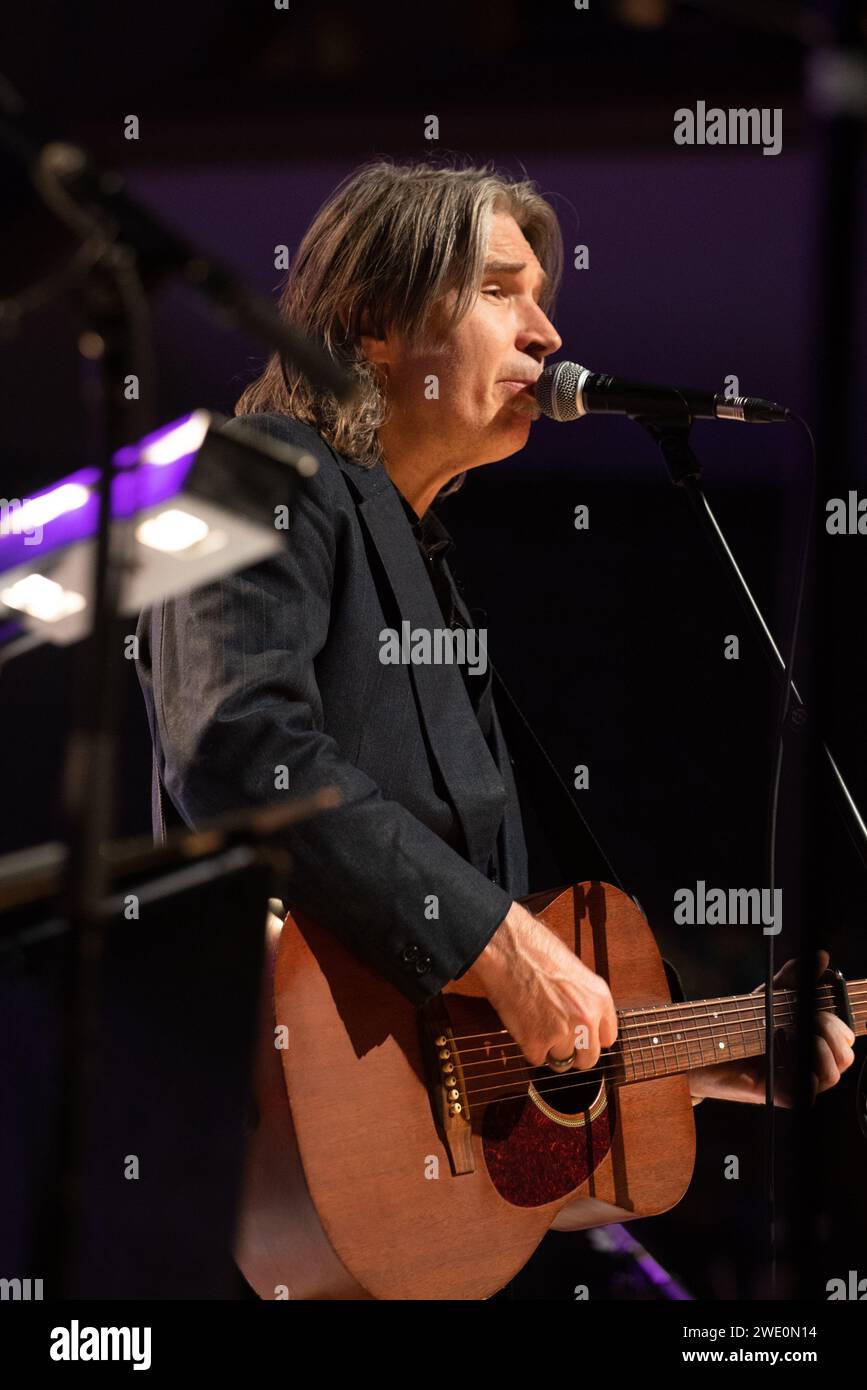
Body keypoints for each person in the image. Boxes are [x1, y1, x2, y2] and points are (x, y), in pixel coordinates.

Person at [135, 158, 855, 1155]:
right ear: (375, 325)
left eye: (543, 299)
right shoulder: (257, 470)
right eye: (497, 289)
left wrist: (694, 1063)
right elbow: (239, 750)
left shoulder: (426, 565)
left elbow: (457, 1048)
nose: (548, 334)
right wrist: (507, 945)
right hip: (245, 1156)